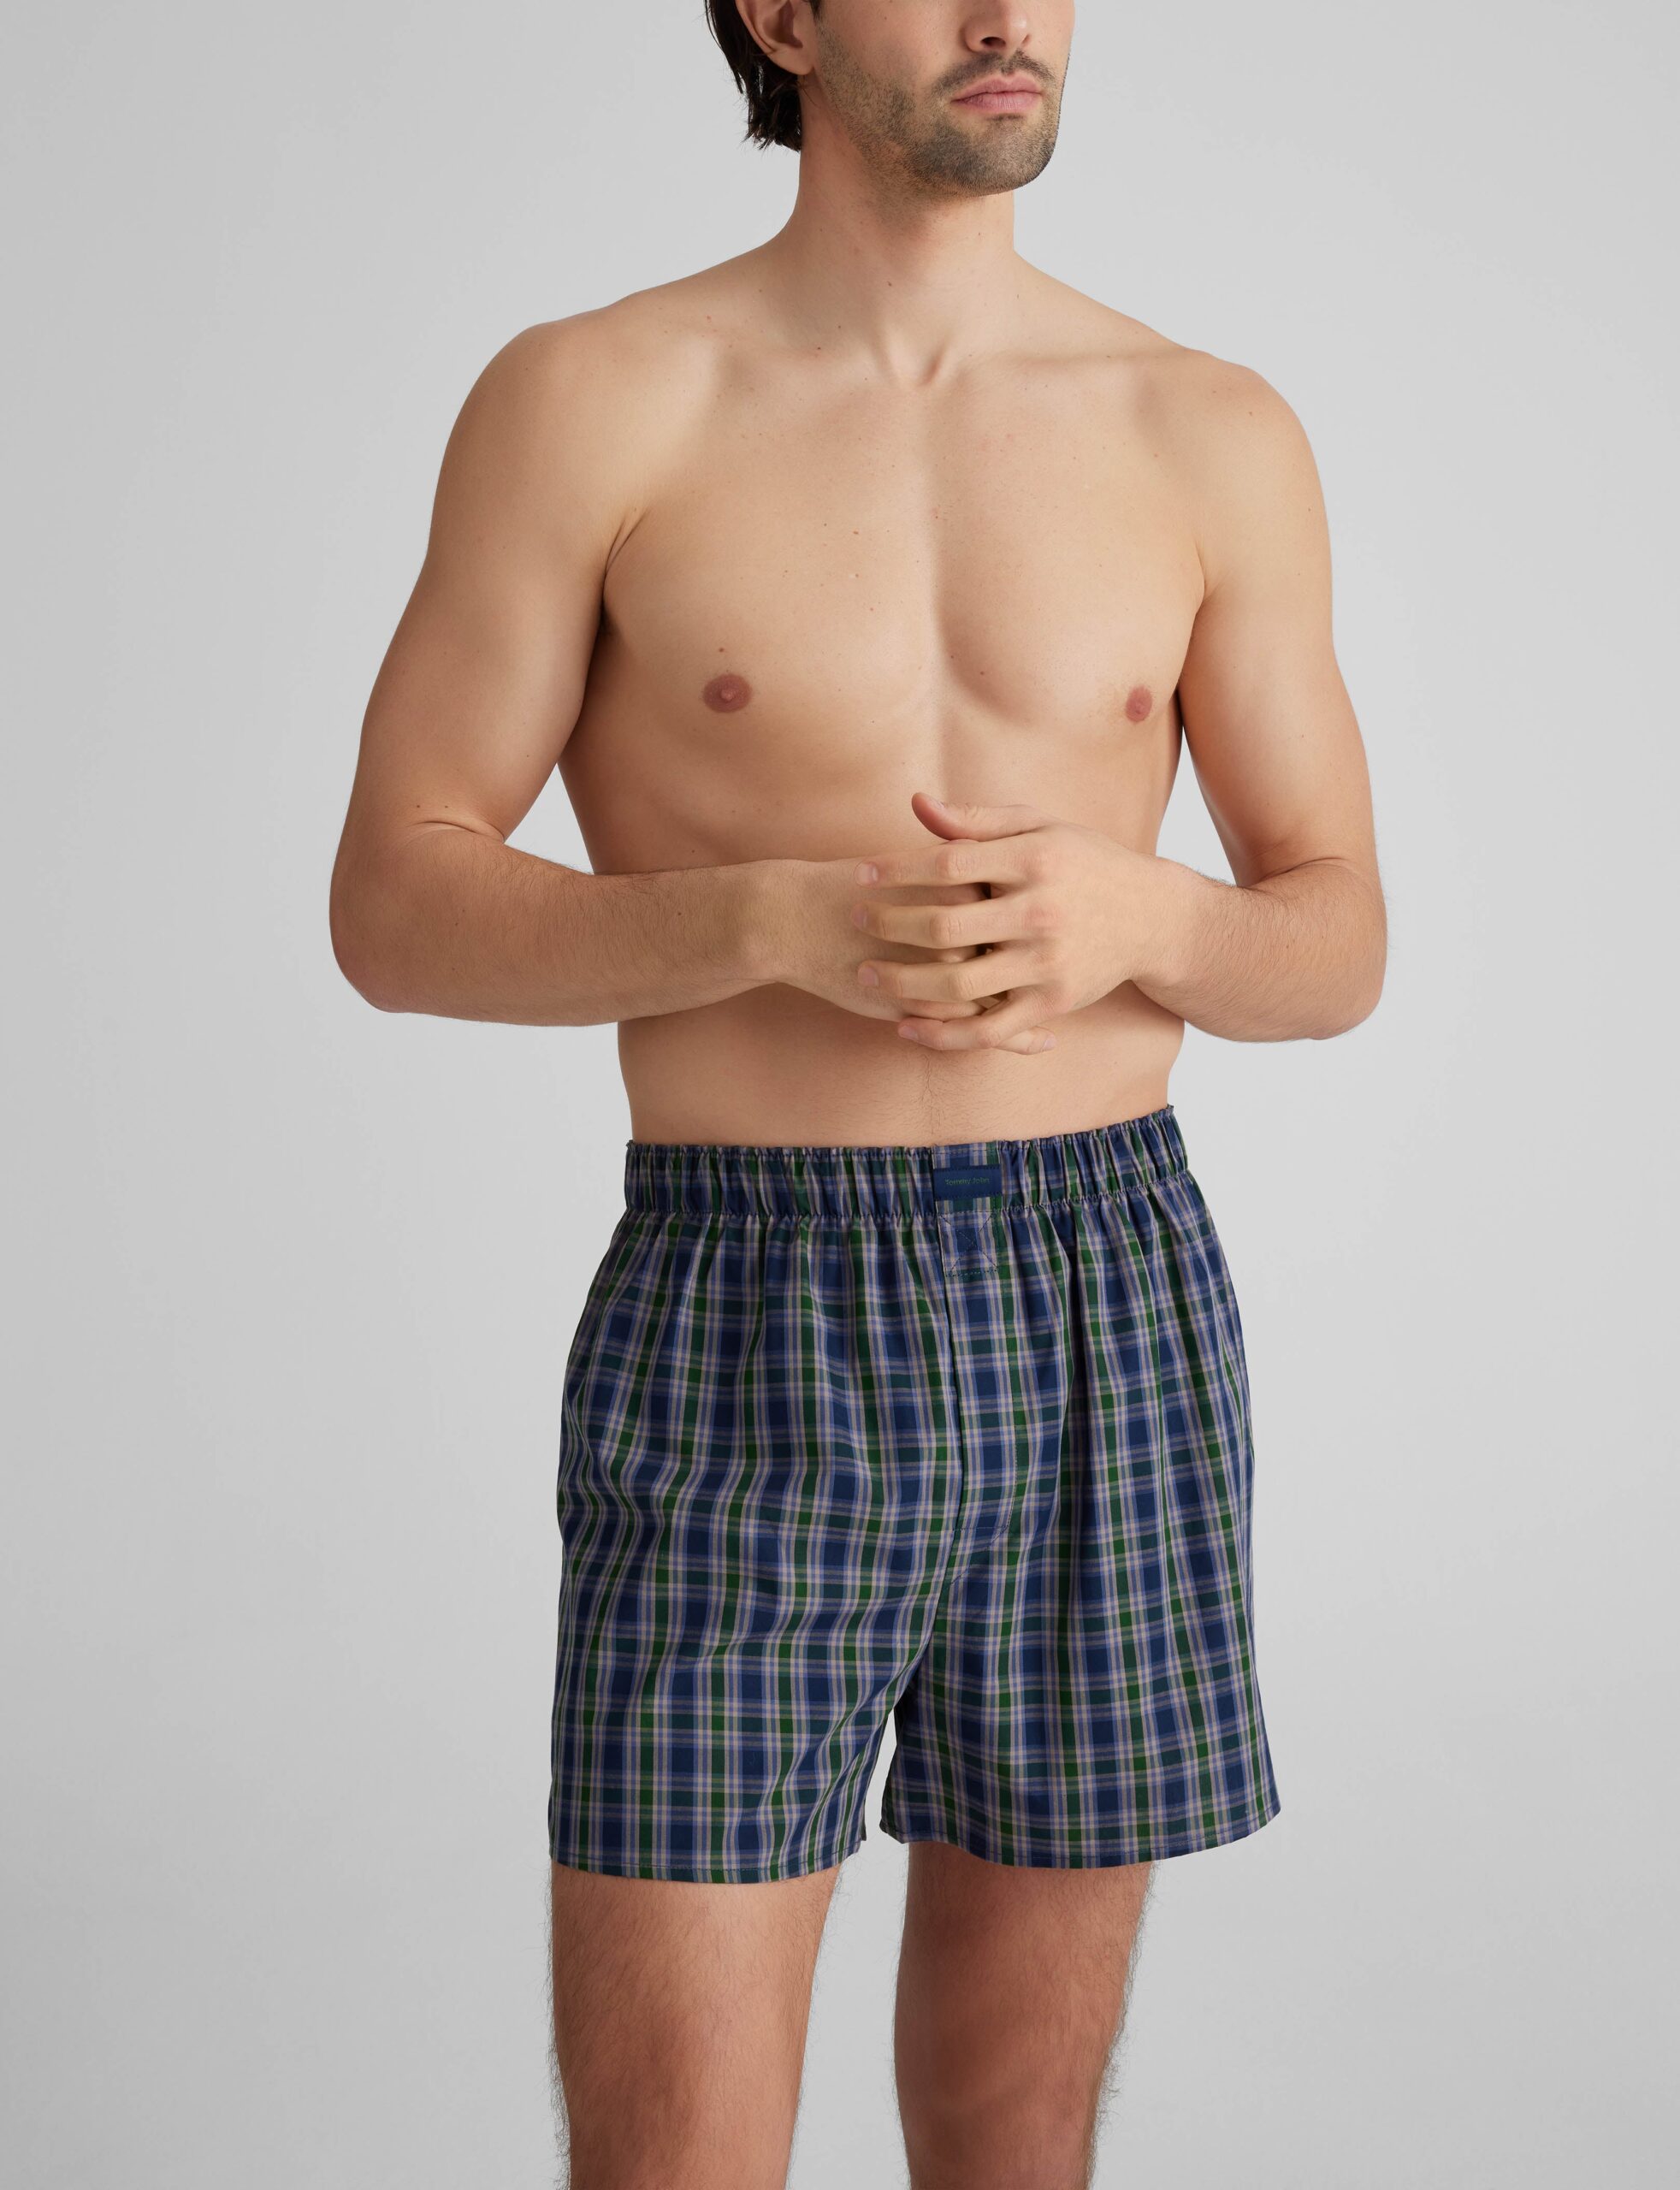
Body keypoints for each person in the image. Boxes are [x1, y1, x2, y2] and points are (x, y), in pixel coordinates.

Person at [328, 3, 1386, 2183]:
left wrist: (1139, 915)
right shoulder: (593, 398)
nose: (1008, 18)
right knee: (676, 2154)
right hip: (750, 1305)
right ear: (784, 17)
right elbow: (395, 901)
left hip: (1106, 1296)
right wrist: (765, 919)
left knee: (1012, 2131)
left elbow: (1334, 936)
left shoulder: (1208, 427)